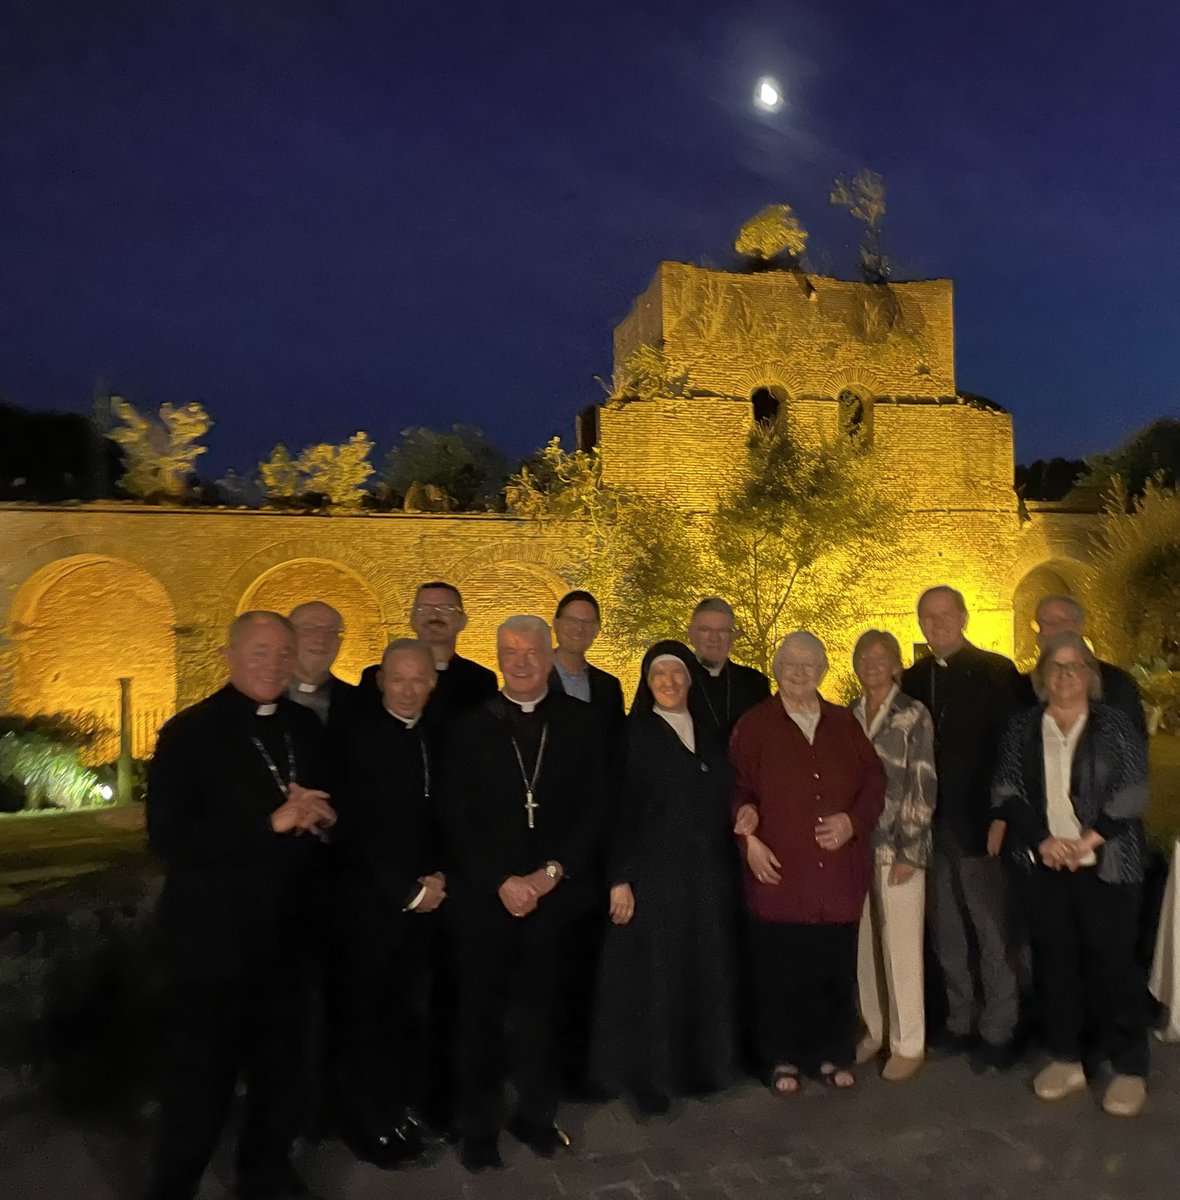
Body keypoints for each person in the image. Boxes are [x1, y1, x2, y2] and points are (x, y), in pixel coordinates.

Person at [144, 612, 336, 1200]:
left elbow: (330, 814)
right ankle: (175, 1186)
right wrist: (268, 823)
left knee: (282, 1075)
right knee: (201, 1083)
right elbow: (169, 839)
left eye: (283, 653)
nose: (274, 664)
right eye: (260, 652)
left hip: (287, 938)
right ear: (230, 655)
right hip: (213, 946)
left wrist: (323, 819)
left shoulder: (304, 727)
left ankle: (265, 1172)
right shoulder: (190, 733)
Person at [442, 616, 609, 1172]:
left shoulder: (582, 724)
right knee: (481, 1019)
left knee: (545, 1014)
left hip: (554, 899)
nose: (521, 660)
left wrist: (552, 874)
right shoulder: (468, 728)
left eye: (531, 650)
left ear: (548, 654)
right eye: (509, 651)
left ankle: (537, 1115)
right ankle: (479, 1128)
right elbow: (453, 817)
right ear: (497, 657)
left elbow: (595, 809)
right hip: (485, 899)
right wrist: (500, 880)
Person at [992, 632, 1150, 1117]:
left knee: (1114, 967)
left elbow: (1133, 789)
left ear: (1089, 674)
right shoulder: (1022, 729)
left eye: (1074, 666)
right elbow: (1006, 790)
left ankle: (1127, 1067)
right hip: (1044, 867)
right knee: (1054, 964)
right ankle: (1066, 1058)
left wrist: (1087, 840)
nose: (1064, 675)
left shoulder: (1114, 725)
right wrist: (1042, 840)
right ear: (1042, 677)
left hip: (1106, 866)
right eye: (1055, 667)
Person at [732, 631, 885, 1093]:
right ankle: (782, 1058)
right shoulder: (755, 725)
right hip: (780, 870)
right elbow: (738, 789)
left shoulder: (844, 723)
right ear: (778, 671)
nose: (800, 672)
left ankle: (832, 1053)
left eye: (809, 665)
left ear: (822, 671)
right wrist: (749, 840)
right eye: (790, 665)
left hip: (836, 875)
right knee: (782, 971)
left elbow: (874, 782)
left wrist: (852, 821)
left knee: (833, 969)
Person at [590, 640, 740, 1113]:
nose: (670, 682)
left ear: (691, 678)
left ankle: (700, 1069)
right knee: (655, 979)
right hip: (653, 875)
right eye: (660, 674)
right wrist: (619, 878)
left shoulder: (711, 732)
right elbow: (617, 811)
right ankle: (650, 1080)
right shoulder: (633, 734)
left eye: (678, 673)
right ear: (647, 681)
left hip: (706, 874)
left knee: (702, 971)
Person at [901, 585, 1025, 1071]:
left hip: (979, 823)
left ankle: (1000, 1027)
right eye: (927, 617)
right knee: (948, 931)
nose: (937, 624)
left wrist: (1002, 815)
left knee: (992, 930)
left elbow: (1012, 751)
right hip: (931, 827)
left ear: (964, 616)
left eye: (944, 614)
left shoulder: (996, 672)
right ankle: (960, 1019)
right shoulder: (913, 679)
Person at [331, 639, 445, 1168]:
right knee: (366, 1022)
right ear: (380, 681)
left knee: (405, 1017)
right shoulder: (356, 738)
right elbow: (352, 830)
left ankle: (397, 1111)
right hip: (372, 908)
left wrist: (440, 876)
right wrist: (408, 890)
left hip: (423, 905)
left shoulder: (429, 733)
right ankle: (366, 1125)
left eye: (418, 679)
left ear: (432, 683)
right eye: (398, 679)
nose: (408, 689)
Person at [546, 588, 625, 1095]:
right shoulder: (533, 678)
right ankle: (545, 1068)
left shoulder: (608, 687)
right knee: (548, 962)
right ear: (556, 623)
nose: (579, 629)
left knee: (588, 961)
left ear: (596, 630)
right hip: (546, 834)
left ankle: (582, 1067)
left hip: (593, 837)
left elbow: (615, 761)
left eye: (588, 622)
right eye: (571, 620)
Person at [850, 630, 937, 1082]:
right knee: (866, 945)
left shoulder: (912, 713)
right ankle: (876, 1029)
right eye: (864, 657)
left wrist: (910, 846)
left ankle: (908, 1042)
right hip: (858, 848)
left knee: (901, 946)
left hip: (900, 846)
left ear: (897, 664)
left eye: (881, 657)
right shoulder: (850, 714)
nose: (872, 664)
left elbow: (924, 780)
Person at [359, 582, 497, 726]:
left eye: (445, 609)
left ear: (463, 621)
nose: (434, 615)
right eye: (423, 609)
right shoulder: (375, 677)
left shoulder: (480, 680)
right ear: (412, 620)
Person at [1033, 595, 1147, 739]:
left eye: (1054, 623)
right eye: (1040, 625)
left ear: (1077, 627)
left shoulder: (1117, 684)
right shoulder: (1024, 687)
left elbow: (1131, 745)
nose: (1045, 632)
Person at [684, 598, 770, 745]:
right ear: (691, 635)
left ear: (731, 638)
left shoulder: (754, 683)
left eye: (722, 631)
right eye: (705, 630)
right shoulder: (677, 681)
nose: (714, 638)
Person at [286, 600, 359, 730]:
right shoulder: (261, 694)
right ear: (287, 635)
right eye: (309, 629)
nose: (321, 640)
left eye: (331, 632)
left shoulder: (360, 703)